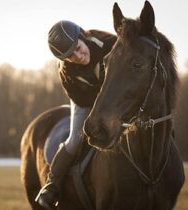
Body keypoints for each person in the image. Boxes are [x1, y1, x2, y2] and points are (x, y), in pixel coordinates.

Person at [35, 20, 117, 209]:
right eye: (70, 56)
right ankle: (51, 186)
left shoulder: (106, 41)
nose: (78, 56)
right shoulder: (66, 71)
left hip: (115, 98)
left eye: (78, 48)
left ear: (83, 36)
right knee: (75, 139)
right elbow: (82, 98)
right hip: (86, 102)